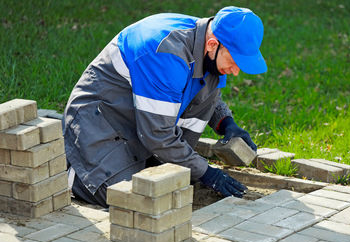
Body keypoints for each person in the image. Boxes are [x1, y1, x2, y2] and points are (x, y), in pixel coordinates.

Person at [63, 6, 268, 208]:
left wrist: (226, 123)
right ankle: (72, 173)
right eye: (234, 61)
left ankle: (156, 161)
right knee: (129, 197)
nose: (235, 71)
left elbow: (206, 94)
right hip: (99, 119)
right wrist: (206, 173)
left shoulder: (206, 43)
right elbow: (158, 135)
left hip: (138, 121)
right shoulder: (167, 53)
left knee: (166, 184)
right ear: (213, 44)